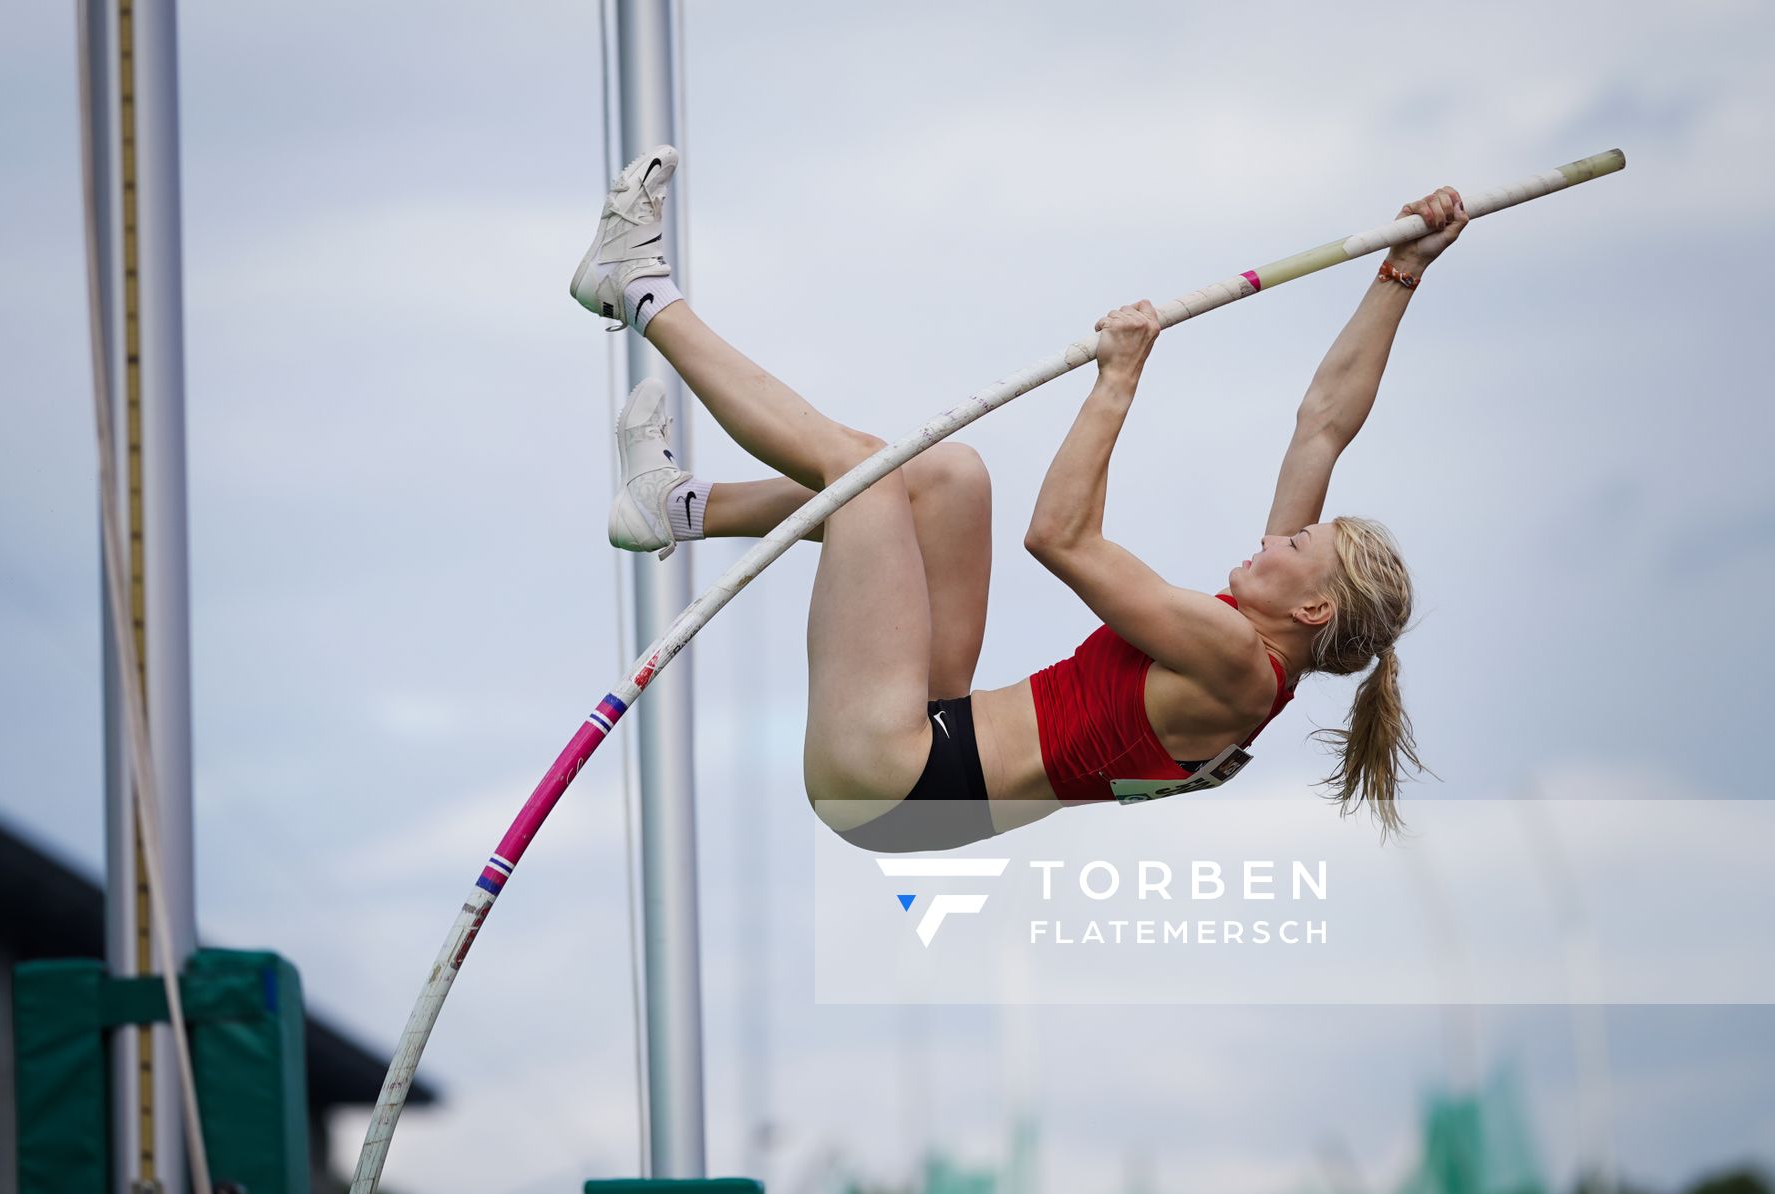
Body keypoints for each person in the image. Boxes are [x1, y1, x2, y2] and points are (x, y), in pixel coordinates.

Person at [571, 146, 1464, 850]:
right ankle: (673, 508)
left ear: (1312, 606)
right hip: (934, 732)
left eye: (1300, 544)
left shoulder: (1236, 657)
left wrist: (1119, 377)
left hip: (891, 778)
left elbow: (1061, 538)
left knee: (864, 479)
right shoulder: (1263, 637)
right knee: (948, 478)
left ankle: (637, 288)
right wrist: (1401, 272)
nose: (1279, 537)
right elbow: (1321, 427)